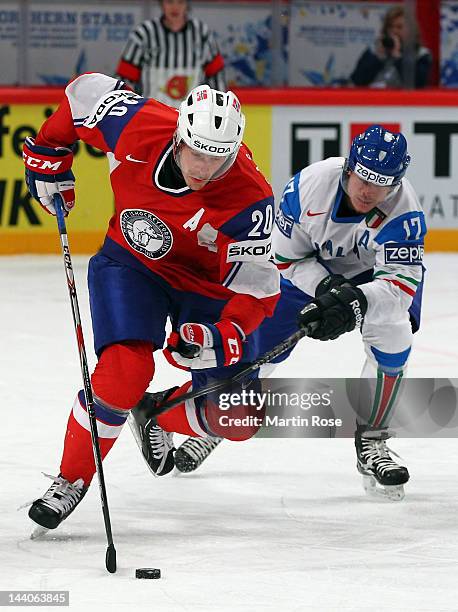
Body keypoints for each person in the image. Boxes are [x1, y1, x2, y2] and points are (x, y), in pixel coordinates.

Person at [23, 72, 279, 532]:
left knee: (238, 415)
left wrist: (225, 334)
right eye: (195, 152)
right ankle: (70, 478)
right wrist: (49, 151)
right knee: (125, 368)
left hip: (209, 288)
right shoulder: (139, 123)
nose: (202, 168)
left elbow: (257, 290)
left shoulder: (251, 198)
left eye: (217, 159)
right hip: (132, 263)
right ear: (179, 134)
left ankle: (157, 411)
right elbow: (86, 92)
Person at [155, 125, 426, 501]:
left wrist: (355, 302)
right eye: (363, 177)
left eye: (380, 185)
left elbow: (400, 286)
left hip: (372, 280)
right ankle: (207, 421)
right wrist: (327, 290)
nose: (368, 191)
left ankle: (373, 440)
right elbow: (286, 258)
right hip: (307, 271)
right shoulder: (309, 187)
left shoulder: (405, 214)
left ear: (396, 183)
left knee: (395, 334)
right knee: (259, 351)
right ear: (349, 168)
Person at [116, 0, 226, 107]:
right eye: (169, 1)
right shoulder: (144, 34)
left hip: (194, 119)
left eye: (180, 2)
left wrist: (217, 109)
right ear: (162, 4)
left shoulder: (201, 34)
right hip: (152, 116)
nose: (175, 7)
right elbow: (125, 79)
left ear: (187, 4)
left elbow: (216, 78)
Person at [350, 6, 432, 88]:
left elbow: (418, 83)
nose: (394, 31)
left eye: (399, 27)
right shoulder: (373, 52)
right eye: (390, 27)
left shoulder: (421, 54)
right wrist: (377, 58)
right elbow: (357, 81)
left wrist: (397, 57)